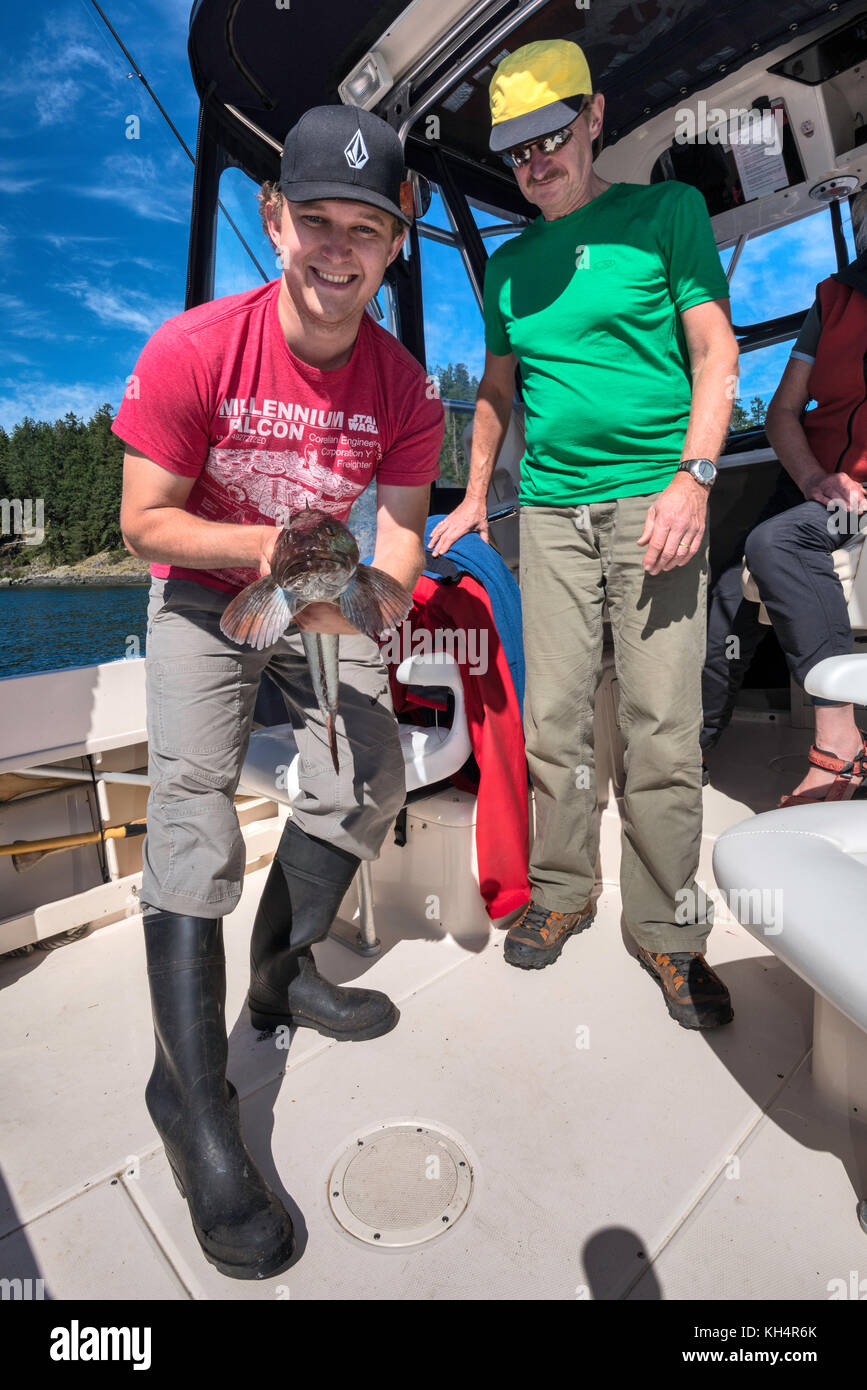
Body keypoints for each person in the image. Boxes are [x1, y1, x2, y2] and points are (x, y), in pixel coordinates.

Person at [114, 104, 443, 1279]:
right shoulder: (194, 349)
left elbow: (398, 544)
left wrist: (369, 602)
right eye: (316, 222)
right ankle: (192, 1097)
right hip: (209, 587)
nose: (339, 250)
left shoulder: (406, 389)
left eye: (366, 229)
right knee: (193, 813)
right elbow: (141, 519)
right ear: (275, 220)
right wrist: (264, 553)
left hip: (323, 590)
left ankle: (280, 972)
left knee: (372, 768)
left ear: (393, 244)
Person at [430, 39, 739, 1029]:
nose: (534, 162)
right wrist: (478, 494)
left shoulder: (665, 215)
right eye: (516, 150)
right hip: (554, 514)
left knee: (661, 722)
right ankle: (563, 891)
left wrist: (696, 478)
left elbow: (715, 352)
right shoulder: (510, 268)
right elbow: (495, 392)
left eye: (550, 138)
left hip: (659, 499)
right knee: (557, 716)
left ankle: (668, 930)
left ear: (594, 117)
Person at [734, 249, 867, 805]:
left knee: (775, 541)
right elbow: (782, 412)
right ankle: (691, 753)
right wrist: (815, 477)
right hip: (825, 487)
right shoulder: (834, 296)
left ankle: (840, 742)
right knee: (724, 591)